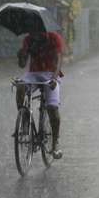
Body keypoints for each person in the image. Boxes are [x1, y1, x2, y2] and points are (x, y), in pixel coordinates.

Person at [16, 29, 64, 159]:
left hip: (51, 74)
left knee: (52, 108)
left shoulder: (54, 38)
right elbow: (22, 65)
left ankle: (55, 144)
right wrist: (21, 55)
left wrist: (54, 78)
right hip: (33, 75)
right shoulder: (28, 39)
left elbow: (59, 60)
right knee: (20, 87)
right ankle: (24, 120)